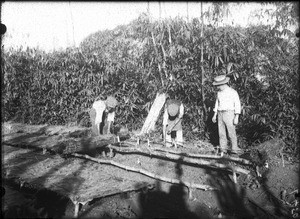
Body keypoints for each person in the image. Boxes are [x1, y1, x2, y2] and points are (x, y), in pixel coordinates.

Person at [212, 75, 243, 155]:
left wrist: (236, 116)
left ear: (223, 84)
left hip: (229, 113)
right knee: (221, 133)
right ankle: (223, 149)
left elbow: (237, 104)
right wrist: (215, 114)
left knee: (231, 132)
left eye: (218, 85)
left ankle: (234, 150)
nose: (218, 87)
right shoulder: (219, 93)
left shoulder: (232, 92)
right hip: (220, 113)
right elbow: (217, 103)